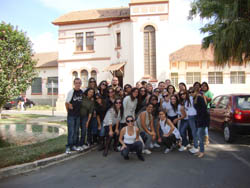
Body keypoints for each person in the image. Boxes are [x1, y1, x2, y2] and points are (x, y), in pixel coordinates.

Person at [65, 78, 83, 154]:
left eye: (79, 83)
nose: (78, 84)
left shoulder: (82, 92)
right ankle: (68, 147)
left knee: (76, 131)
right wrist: (68, 111)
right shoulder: (71, 92)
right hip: (71, 116)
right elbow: (66, 103)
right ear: (74, 84)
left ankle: (75, 145)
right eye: (76, 83)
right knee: (71, 131)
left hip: (78, 115)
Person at [190, 87, 209, 158]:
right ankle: (200, 150)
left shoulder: (200, 98)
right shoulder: (194, 99)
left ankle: (202, 151)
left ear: (196, 92)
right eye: (190, 92)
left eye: (192, 92)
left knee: (200, 135)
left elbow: (204, 109)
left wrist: (201, 119)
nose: (191, 93)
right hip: (199, 119)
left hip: (203, 120)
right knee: (199, 135)